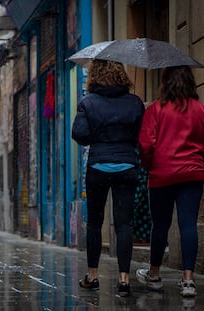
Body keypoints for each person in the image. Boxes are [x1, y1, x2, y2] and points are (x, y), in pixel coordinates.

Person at [72, 59, 145, 296]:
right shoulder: (135, 103)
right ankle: (124, 280)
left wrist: (97, 132)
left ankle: (92, 276)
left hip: (99, 167)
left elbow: (80, 135)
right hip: (127, 166)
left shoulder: (88, 103)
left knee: (95, 222)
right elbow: (140, 135)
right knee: (125, 224)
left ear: (95, 75)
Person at [136, 66, 204, 297]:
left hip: (162, 174)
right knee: (188, 224)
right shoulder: (199, 109)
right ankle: (188, 280)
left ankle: (154, 274)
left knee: (160, 225)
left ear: (165, 82)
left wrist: (148, 165)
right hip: (192, 173)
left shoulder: (155, 109)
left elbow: (145, 145)